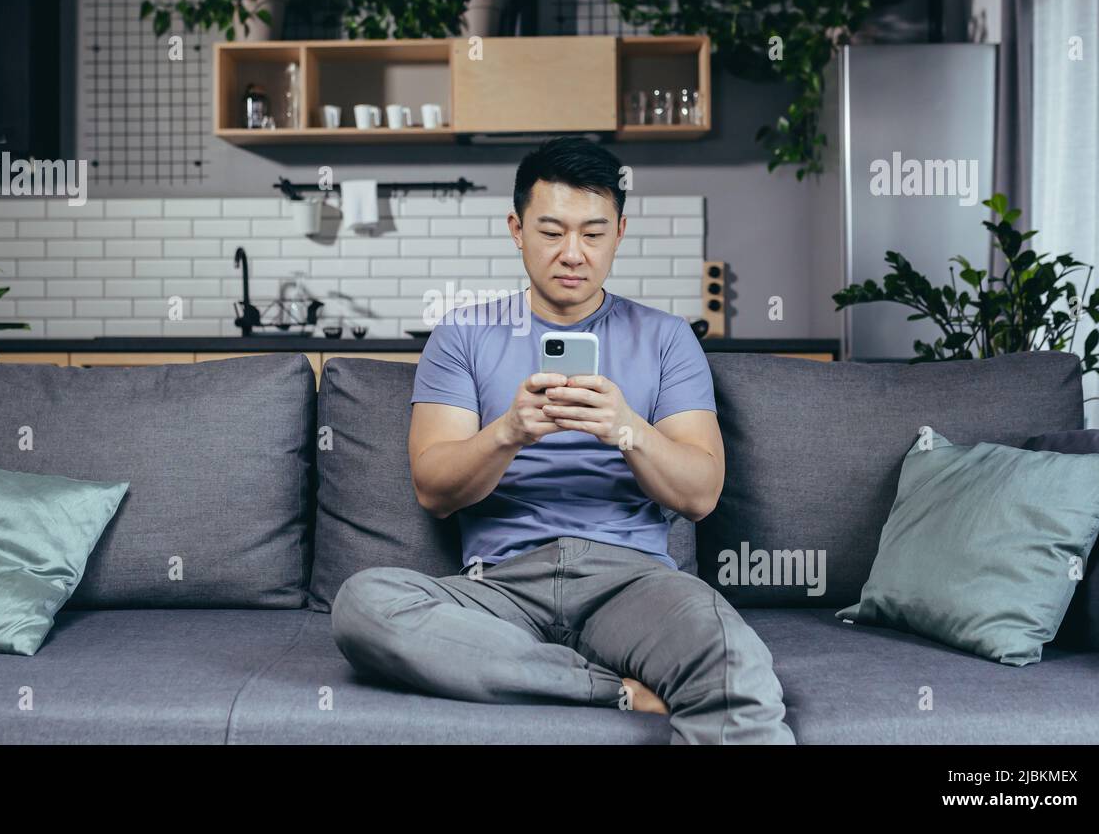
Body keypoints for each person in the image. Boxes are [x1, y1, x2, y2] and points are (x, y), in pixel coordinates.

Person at [331, 135, 794, 744]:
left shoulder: (667, 338)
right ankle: (613, 689)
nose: (573, 253)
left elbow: (700, 494)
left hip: (634, 583)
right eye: (551, 232)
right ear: (516, 229)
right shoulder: (462, 336)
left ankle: (548, 676)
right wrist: (508, 432)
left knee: (736, 661)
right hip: (500, 587)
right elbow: (434, 489)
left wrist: (629, 429)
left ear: (621, 232)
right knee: (364, 605)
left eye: (593, 234)